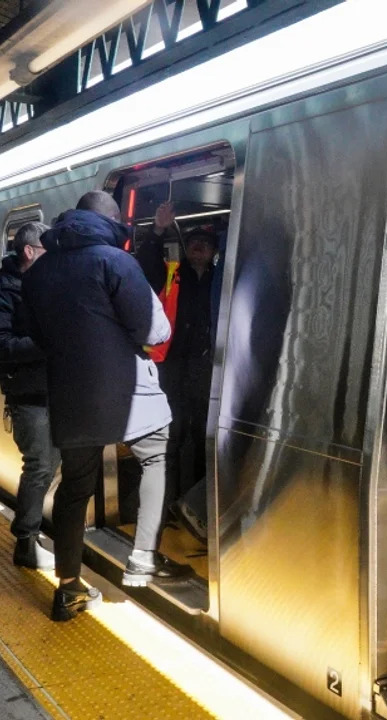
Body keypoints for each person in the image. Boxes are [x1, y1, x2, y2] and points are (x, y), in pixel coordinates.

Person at [23, 190, 192, 622]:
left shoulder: (39, 271)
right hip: (130, 392)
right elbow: (155, 332)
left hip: (70, 395)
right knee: (154, 460)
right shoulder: (117, 261)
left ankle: (67, 588)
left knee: (75, 487)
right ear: (113, 220)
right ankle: (141, 558)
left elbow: (37, 336)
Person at [134, 201, 221, 540]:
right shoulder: (171, 273)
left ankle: (193, 508)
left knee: (201, 439)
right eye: (194, 242)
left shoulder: (219, 280)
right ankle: (163, 506)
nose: (199, 246)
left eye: (206, 243)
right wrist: (157, 230)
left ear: (214, 251)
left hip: (203, 370)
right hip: (170, 368)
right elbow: (144, 267)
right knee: (170, 441)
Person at [0, 222, 58, 570]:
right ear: (29, 251)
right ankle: (26, 540)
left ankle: (38, 526)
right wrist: (48, 345)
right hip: (27, 395)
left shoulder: (48, 289)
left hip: (57, 390)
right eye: (45, 251)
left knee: (50, 465)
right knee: (39, 465)